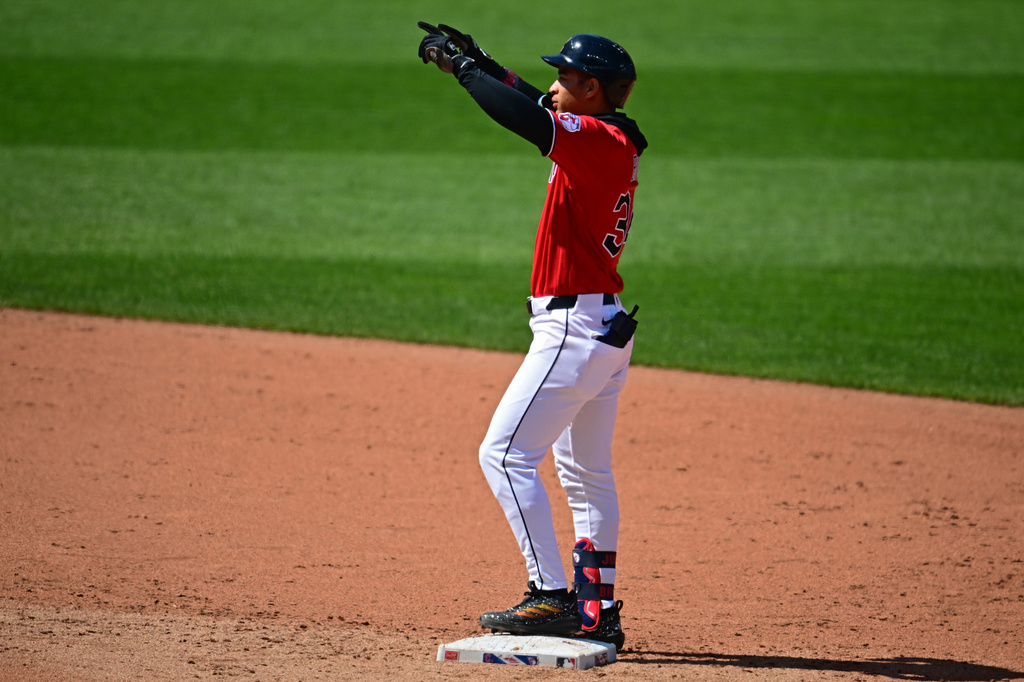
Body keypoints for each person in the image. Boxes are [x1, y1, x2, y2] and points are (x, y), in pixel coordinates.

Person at [417, 23, 647, 650]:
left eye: (565, 76)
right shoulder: (607, 136)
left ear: (593, 88)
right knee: (587, 473)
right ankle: (597, 609)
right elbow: (536, 104)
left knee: (504, 454)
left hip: (572, 332)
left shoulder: (594, 141)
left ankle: (550, 597)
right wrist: (485, 61)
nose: (553, 84)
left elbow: (525, 119)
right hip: (602, 329)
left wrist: (464, 73)